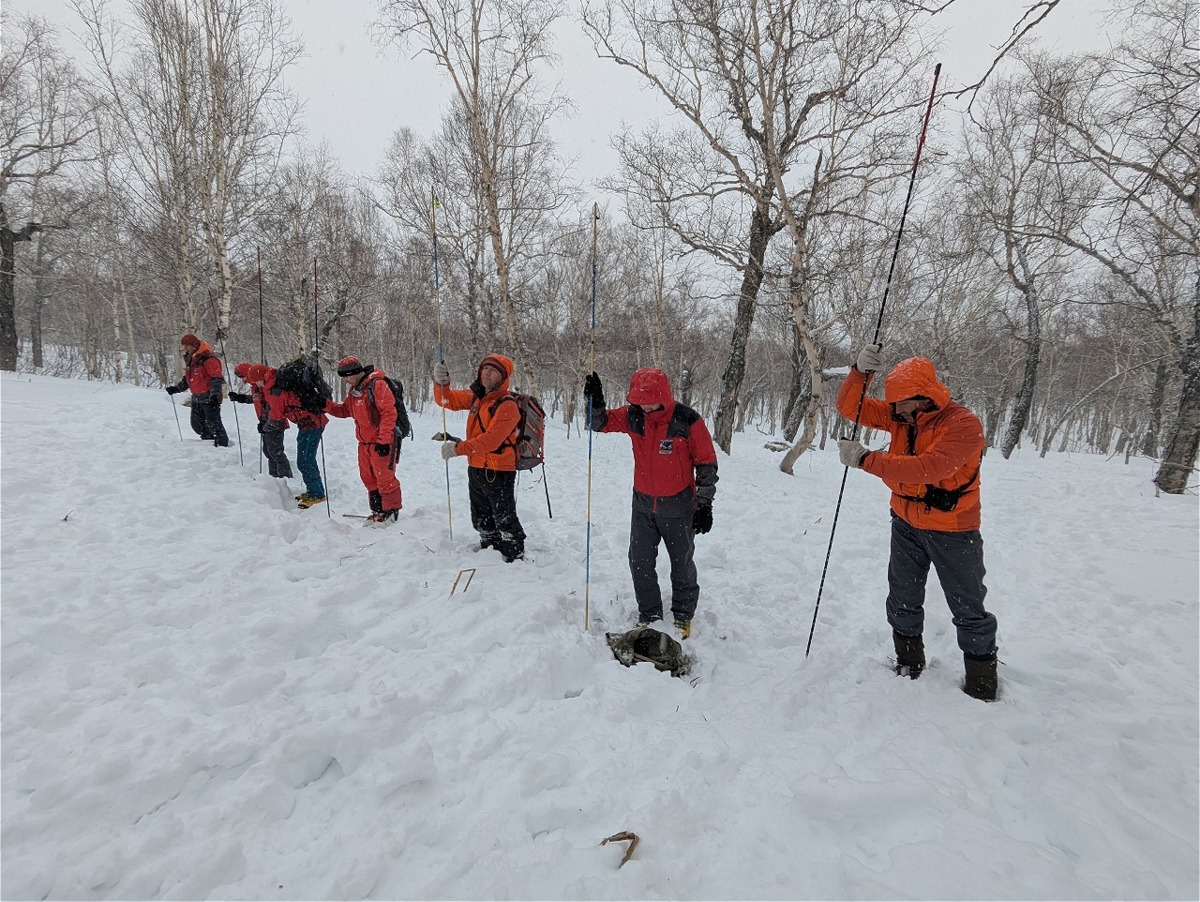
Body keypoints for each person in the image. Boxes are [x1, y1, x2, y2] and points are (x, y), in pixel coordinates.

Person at [835, 343, 999, 701]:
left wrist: (866, 459)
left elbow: (929, 468)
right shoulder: (900, 415)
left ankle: (982, 680)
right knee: (903, 595)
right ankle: (908, 661)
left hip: (954, 530)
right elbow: (850, 406)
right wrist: (860, 372)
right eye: (894, 405)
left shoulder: (963, 424)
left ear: (926, 396)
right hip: (905, 522)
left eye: (904, 404)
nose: (896, 412)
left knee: (967, 605)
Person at [582, 367, 718, 639]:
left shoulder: (687, 420)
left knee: (681, 563)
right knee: (640, 560)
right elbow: (598, 423)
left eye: (647, 400)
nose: (642, 406)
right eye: (637, 400)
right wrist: (595, 402)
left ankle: (683, 615)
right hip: (643, 504)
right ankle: (650, 614)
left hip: (679, 506)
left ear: (662, 396)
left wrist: (704, 503)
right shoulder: (634, 416)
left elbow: (706, 462)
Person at [434, 354, 527, 563]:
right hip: (476, 465)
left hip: (499, 470)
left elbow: (491, 441)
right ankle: (490, 547)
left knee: (504, 516)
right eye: (484, 368)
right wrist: (442, 383)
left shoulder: (507, 405)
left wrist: (458, 449)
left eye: (492, 370)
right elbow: (445, 399)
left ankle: (514, 553)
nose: (486, 372)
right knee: (481, 515)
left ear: (503, 377)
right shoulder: (477, 397)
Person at [325, 357, 402, 524]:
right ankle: (378, 511)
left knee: (385, 478)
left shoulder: (378, 385)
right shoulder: (355, 390)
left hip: (381, 441)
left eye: (345, 377)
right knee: (368, 478)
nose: (344, 381)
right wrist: (325, 405)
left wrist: (383, 440)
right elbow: (345, 410)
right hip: (364, 444)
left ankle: (391, 512)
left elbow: (389, 413)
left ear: (353, 373)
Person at [229, 363, 293, 480]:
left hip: (275, 421)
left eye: (243, 377)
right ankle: (274, 477)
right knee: (268, 451)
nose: (243, 381)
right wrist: (240, 398)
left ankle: (285, 478)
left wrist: (264, 421)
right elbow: (257, 400)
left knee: (275, 451)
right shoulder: (256, 386)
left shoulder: (265, 384)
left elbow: (271, 404)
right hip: (266, 422)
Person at [165, 333, 229, 447]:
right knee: (197, 425)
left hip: (209, 397)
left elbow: (217, 378)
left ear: (194, 345)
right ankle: (208, 443)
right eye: (184, 346)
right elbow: (189, 379)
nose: (185, 349)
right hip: (196, 397)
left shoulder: (208, 359)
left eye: (187, 346)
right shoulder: (191, 359)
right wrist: (176, 389)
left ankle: (222, 446)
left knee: (213, 424)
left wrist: (214, 395)